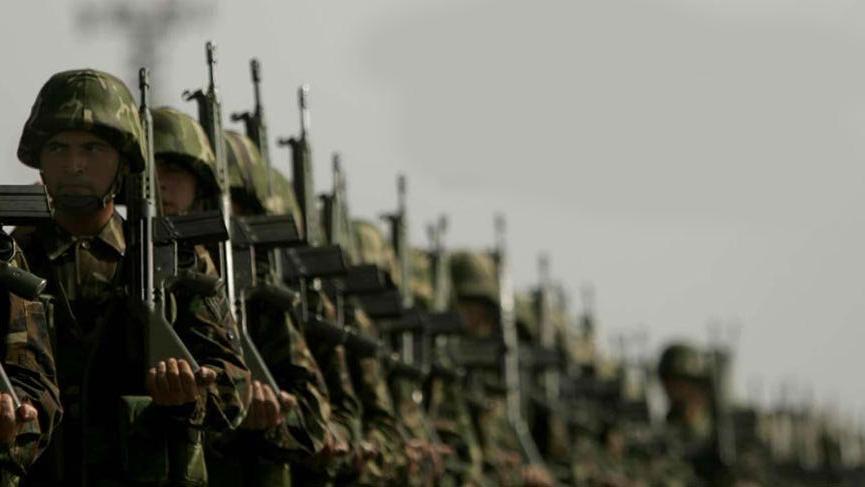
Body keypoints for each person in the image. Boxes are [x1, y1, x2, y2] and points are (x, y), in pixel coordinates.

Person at [14, 69, 250, 487]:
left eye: (93, 149)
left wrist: (191, 395)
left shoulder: (174, 261)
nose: (74, 165)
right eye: (58, 148)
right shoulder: (14, 259)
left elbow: (234, 385)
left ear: (124, 163)